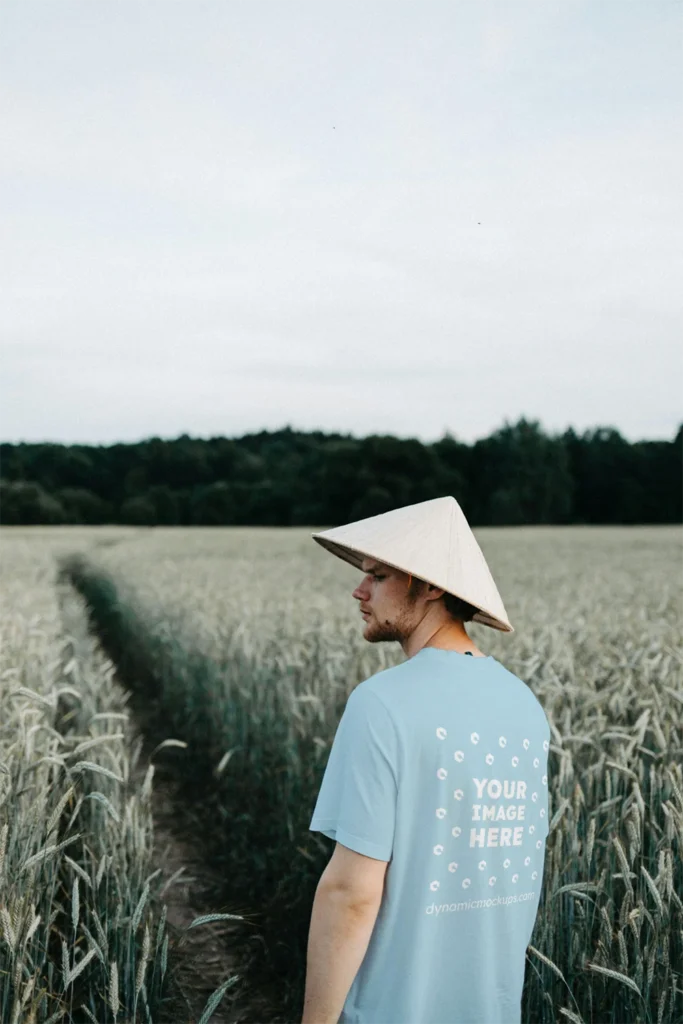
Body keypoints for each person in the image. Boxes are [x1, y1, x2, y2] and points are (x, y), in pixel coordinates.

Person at [303, 496, 551, 1024]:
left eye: (378, 575)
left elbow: (351, 892)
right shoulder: (525, 707)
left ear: (432, 585)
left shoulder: (382, 703)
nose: (359, 589)